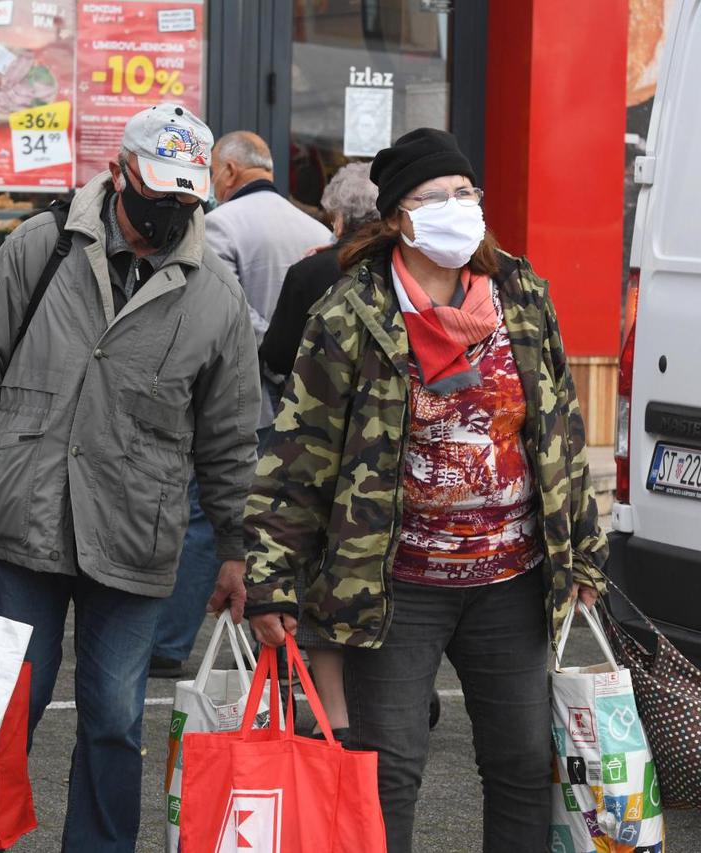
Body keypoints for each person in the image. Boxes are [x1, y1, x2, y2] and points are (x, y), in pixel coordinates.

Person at [216, 128, 607, 853]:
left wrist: (584, 545)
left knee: (523, 764)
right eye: (437, 197)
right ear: (399, 216)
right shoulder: (350, 312)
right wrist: (270, 581)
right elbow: (298, 457)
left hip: (510, 578)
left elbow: (561, 430)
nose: (459, 207)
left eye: (466, 192)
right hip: (396, 585)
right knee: (387, 770)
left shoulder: (521, 294)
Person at [0, 103, 260, 852]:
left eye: (186, 198)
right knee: (4, 706)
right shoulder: (40, 245)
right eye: (157, 193)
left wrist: (238, 547)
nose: (171, 211)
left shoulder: (217, 295)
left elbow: (233, 438)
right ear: (118, 173)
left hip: (135, 531)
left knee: (114, 717)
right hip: (19, 517)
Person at [148, 131, 331, 679]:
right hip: (302, 401)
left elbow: (221, 310)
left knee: (209, 514)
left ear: (227, 171)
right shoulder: (316, 229)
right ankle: (276, 639)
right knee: (283, 520)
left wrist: (270, 345)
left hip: (239, 399)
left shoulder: (220, 224)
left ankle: (169, 641)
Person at [252, 160, 380, 736]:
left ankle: (336, 716)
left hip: (319, 447)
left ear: (337, 217)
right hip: (386, 454)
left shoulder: (314, 270)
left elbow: (278, 354)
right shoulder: (411, 272)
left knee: (324, 578)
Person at [261, 161, 380, 386]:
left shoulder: (308, 272)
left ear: (340, 220)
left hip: (319, 397)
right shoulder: (404, 261)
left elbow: (279, 357)